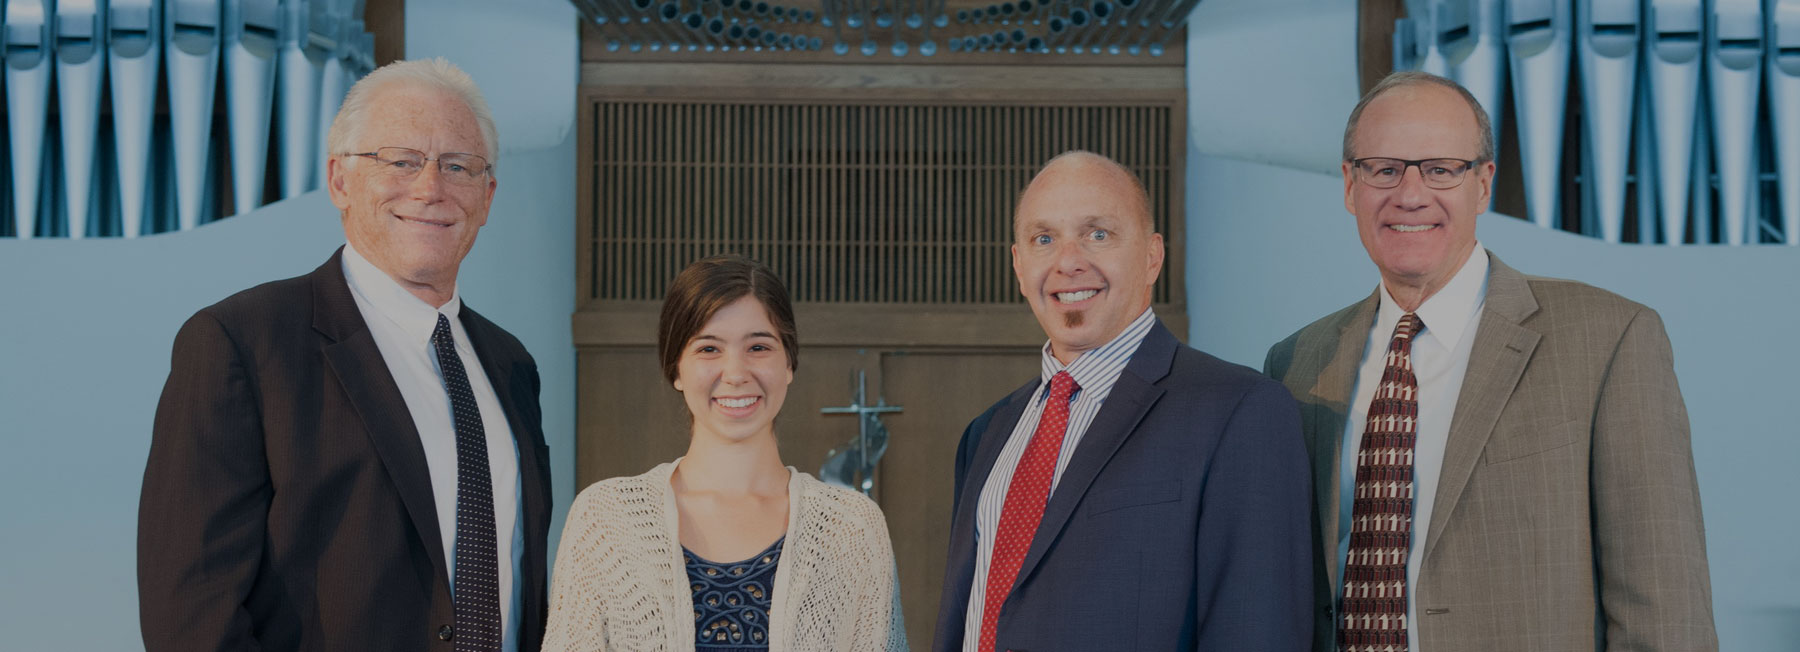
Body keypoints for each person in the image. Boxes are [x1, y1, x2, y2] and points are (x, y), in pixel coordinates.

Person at [1263, 71, 1717, 652]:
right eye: (1384, 169)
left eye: (1441, 169)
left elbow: (1665, 605)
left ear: (1483, 184)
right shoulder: (1297, 362)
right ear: (1350, 185)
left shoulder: (1609, 339)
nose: (1410, 193)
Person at [138, 58, 553, 652]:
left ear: (486, 197)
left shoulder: (511, 365)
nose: (430, 187)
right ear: (340, 180)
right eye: (401, 160)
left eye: (457, 166)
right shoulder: (241, 344)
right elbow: (192, 612)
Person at [931, 151, 1313, 652]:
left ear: (1152, 256)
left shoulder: (1240, 412)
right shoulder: (987, 434)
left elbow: (1256, 631)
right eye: (1044, 239)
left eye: (1098, 234)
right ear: (1019, 266)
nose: (1069, 261)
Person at [542, 254, 906, 651]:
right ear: (676, 368)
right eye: (709, 349)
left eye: (759, 347)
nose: (735, 373)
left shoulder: (852, 528)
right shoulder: (605, 518)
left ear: (789, 363)